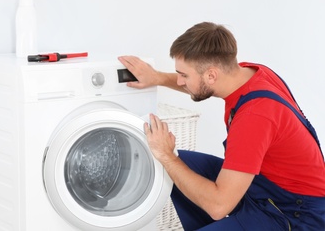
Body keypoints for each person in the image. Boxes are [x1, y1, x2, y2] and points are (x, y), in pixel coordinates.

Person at [118, 22, 325, 231]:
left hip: (294, 215)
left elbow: (218, 206)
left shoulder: (254, 116)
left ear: (211, 75)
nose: (180, 81)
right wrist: (157, 77)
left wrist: (167, 155)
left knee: (171, 162)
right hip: (264, 187)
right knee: (173, 166)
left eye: (184, 75)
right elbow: (201, 86)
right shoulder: (248, 74)